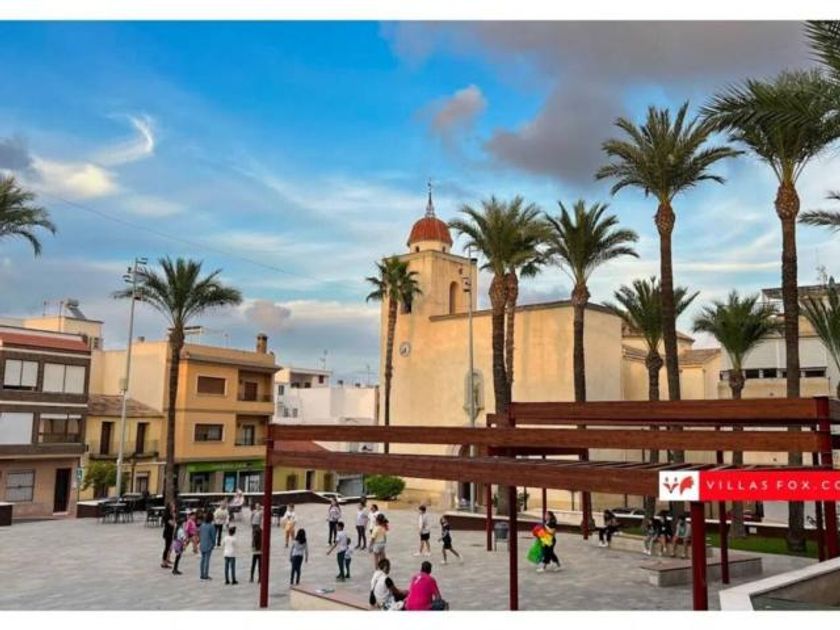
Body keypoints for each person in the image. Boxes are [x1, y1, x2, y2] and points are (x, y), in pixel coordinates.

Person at [199, 511, 216, 580]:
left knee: (202, 560)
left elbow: (200, 534)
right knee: (207, 560)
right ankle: (206, 575)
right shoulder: (211, 526)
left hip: (202, 544)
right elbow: (213, 536)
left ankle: (201, 574)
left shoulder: (202, 525)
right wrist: (213, 544)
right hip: (208, 545)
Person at [161, 501, 176, 569]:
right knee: (167, 547)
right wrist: (174, 517)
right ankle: (164, 562)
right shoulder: (167, 515)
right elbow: (172, 524)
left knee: (170, 547)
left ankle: (168, 559)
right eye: (173, 506)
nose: (174, 507)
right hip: (167, 533)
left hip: (171, 532)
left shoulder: (171, 514)